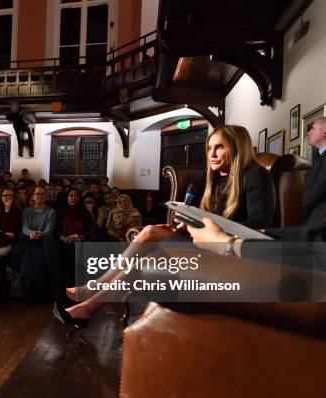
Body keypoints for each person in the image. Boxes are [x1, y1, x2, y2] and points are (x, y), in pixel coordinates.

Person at [58, 125, 276, 324]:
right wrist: (189, 223)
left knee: (150, 231)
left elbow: (258, 225)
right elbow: (211, 218)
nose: (211, 153)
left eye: (220, 147)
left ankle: (92, 290)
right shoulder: (217, 178)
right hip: (207, 242)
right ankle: (87, 307)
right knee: (142, 253)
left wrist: (208, 229)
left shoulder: (255, 175)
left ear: (237, 148)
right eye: (209, 147)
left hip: (230, 249)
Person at [7, 186, 61, 299]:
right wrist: (31, 233)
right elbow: (25, 227)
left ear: (46, 197)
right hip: (29, 238)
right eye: (37, 194)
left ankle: (34, 287)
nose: (40, 196)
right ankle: (22, 283)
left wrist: (39, 234)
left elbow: (49, 230)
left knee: (38, 253)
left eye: (42, 194)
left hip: (44, 241)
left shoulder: (51, 212)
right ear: (33, 196)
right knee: (23, 249)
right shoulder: (27, 210)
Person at [57, 188, 94, 286]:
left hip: (80, 241)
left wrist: (79, 237)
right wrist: (66, 239)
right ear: (67, 198)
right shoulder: (61, 212)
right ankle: (66, 284)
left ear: (79, 198)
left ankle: (76, 283)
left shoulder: (85, 213)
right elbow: (58, 231)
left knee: (76, 250)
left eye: (76, 196)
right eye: (71, 196)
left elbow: (90, 231)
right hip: (63, 242)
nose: (73, 198)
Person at [302, 117, 326, 223]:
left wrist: (296, 211)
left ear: (324, 132)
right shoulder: (319, 157)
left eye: (313, 129)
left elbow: (319, 192)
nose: (308, 133)